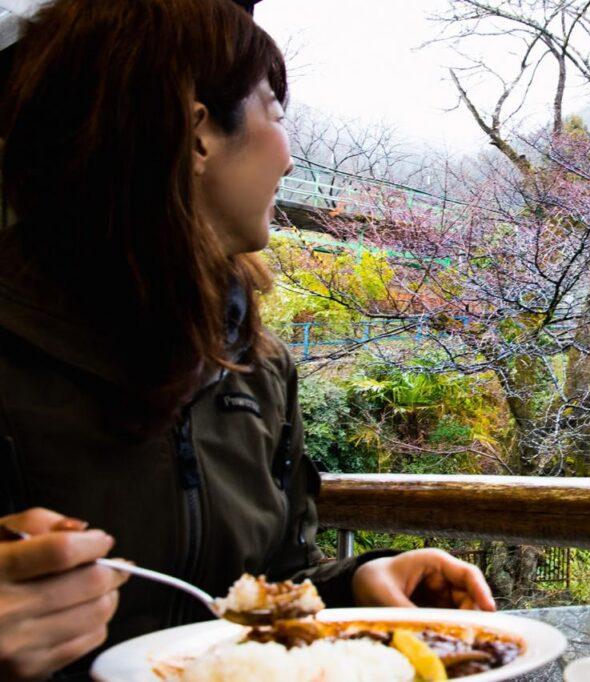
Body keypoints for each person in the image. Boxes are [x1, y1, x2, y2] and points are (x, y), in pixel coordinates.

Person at [0, 1, 495, 679]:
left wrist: (356, 587)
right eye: (277, 114)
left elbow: (276, 578)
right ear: (197, 133)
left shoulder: (255, 365)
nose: (290, 158)